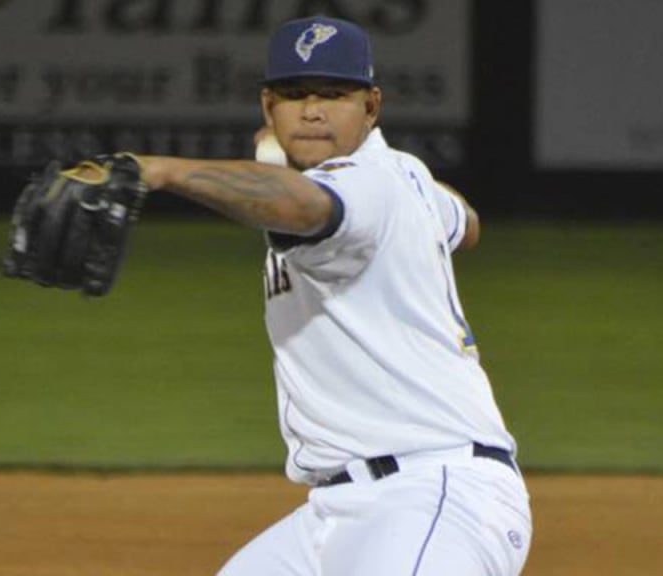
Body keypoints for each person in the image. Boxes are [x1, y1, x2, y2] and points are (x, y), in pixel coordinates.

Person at [132, 15, 532, 576]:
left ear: (372, 106)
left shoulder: (365, 184)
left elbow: (308, 207)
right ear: (268, 106)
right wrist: (414, 186)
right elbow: (465, 223)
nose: (313, 110)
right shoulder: (402, 174)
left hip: (433, 497)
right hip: (335, 510)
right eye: (295, 96)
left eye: (333, 94)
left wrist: (159, 171)